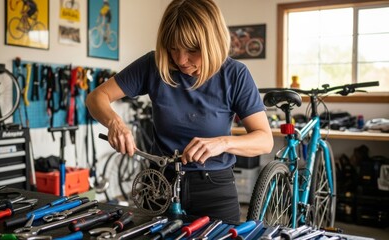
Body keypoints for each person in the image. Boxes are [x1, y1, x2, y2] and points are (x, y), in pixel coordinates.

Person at [86, 0, 273, 223]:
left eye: (192, 50)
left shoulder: (235, 75)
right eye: (173, 48)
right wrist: (115, 123)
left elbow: (264, 140)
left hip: (214, 189)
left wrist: (222, 143)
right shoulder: (154, 65)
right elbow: (96, 97)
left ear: (211, 43)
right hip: (159, 185)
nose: (181, 60)